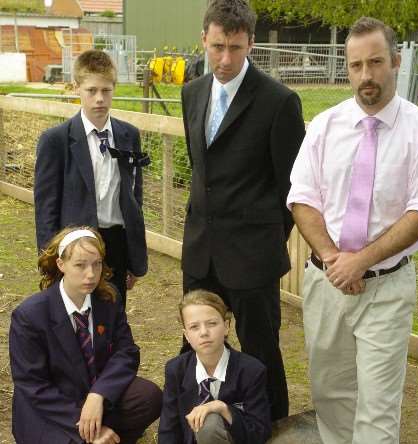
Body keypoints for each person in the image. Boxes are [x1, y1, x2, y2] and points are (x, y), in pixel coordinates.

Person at [287, 17, 418, 444]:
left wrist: (360, 261)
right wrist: (333, 258)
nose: (366, 75)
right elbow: (302, 197)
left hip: (386, 288)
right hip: (327, 284)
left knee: (377, 409)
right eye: (356, 65)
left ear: (396, 62)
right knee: (331, 395)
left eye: (375, 62)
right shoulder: (324, 126)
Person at [181, 0, 305, 421]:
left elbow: (292, 188)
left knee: (260, 351)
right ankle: (198, 422)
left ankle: (271, 425)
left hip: (252, 258)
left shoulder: (278, 102)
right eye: (217, 47)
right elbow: (202, 170)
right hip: (200, 251)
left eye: (236, 47)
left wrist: (263, 239)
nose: (226, 58)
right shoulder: (192, 92)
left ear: (251, 42)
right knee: (196, 346)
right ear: (204, 40)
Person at [9, 227, 162, 444]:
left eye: (97, 264)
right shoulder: (30, 315)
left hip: (93, 394)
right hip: (54, 409)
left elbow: (126, 352)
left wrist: (98, 394)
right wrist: (83, 424)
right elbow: (32, 385)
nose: (90, 274)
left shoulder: (108, 298)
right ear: (61, 265)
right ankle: (96, 435)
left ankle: (108, 435)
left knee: (149, 398)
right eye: (80, 265)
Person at [34, 49, 149, 305]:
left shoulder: (129, 135)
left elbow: (134, 198)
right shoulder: (56, 141)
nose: (99, 99)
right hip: (76, 246)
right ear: (77, 88)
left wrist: (133, 258)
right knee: (76, 318)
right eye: (91, 90)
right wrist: (51, 261)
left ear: (114, 88)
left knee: (113, 317)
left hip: (116, 243)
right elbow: (46, 208)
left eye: (106, 90)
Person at [158, 289, 271, 444]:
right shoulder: (176, 369)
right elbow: (168, 428)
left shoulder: (251, 370)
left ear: (226, 326)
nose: (204, 332)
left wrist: (222, 408)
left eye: (212, 323)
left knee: (208, 423)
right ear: (186, 335)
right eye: (194, 327)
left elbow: (259, 432)